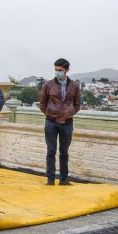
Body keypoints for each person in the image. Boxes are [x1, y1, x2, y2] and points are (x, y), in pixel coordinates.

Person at [39, 58, 81, 186]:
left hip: (67, 123)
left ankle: (63, 179)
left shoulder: (74, 86)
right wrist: (50, 114)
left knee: (64, 152)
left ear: (67, 70)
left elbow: (77, 104)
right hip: (51, 122)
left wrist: (68, 114)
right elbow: (42, 103)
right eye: (56, 70)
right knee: (51, 151)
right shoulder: (48, 85)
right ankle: (50, 179)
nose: (57, 72)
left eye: (60, 70)